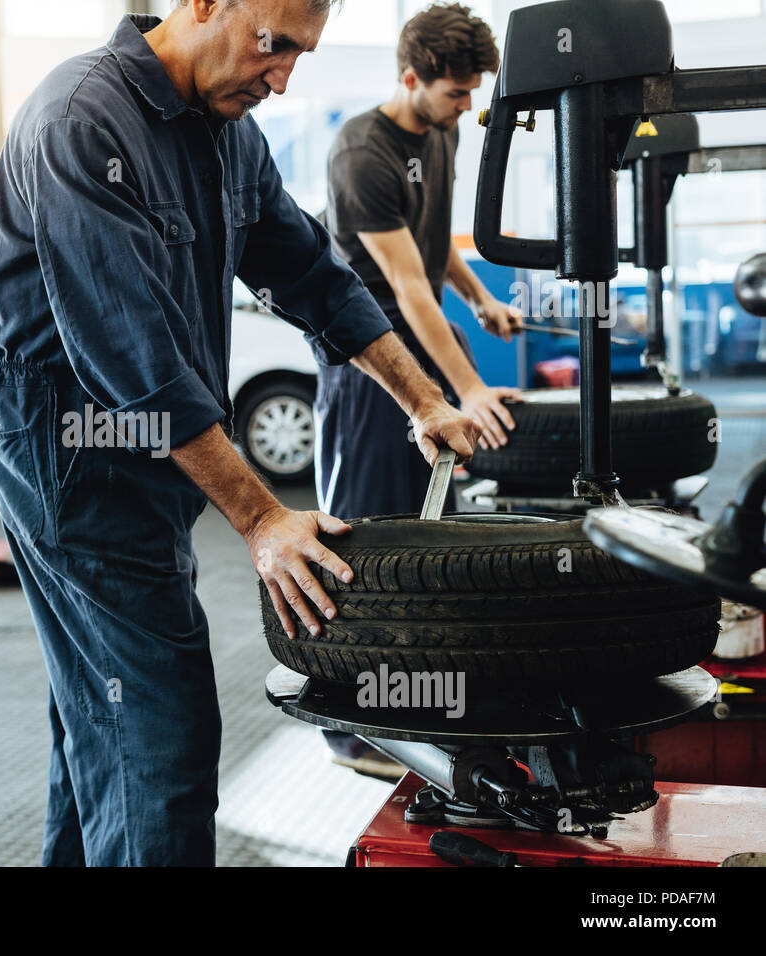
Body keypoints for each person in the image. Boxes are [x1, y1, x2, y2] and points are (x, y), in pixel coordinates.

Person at [0, 0, 481, 866]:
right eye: (273, 44)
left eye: (301, 53)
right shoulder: (81, 122)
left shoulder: (226, 131)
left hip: (149, 462)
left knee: (100, 716)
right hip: (71, 465)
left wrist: (422, 398)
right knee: (161, 728)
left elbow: (315, 277)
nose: (283, 75)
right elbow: (135, 360)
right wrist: (262, 521)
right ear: (205, 5)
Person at [315, 1, 524, 772]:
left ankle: (417, 704)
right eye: (456, 94)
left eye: (472, 93)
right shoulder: (359, 155)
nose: (467, 107)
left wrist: (479, 300)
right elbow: (403, 288)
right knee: (367, 542)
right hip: (368, 364)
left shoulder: (439, 133)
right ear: (410, 77)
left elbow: (431, 249)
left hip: (423, 350)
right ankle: (350, 726)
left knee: (429, 534)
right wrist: (467, 387)